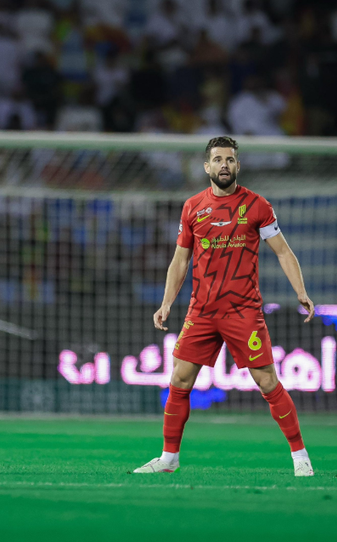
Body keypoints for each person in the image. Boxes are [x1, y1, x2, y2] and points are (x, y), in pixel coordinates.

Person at [133, 136, 315, 477]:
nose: (224, 165)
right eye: (217, 160)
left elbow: (283, 251)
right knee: (179, 379)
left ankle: (300, 456)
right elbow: (180, 259)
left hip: (243, 311)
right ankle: (169, 458)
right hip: (202, 311)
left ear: (238, 165)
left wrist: (301, 291)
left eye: (229, 159)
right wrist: (166, 302)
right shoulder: (192, 207)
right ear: (207, 167)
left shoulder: (257, 206)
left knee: (267, 381)